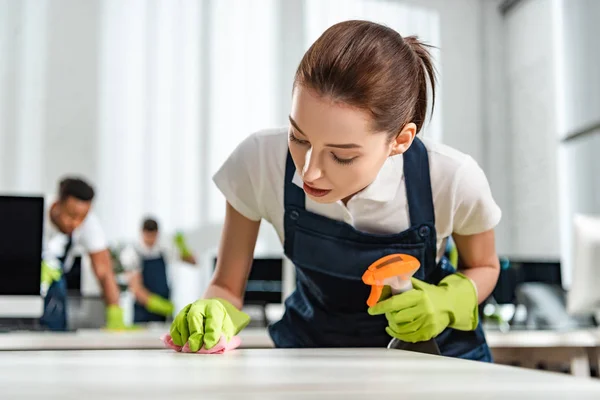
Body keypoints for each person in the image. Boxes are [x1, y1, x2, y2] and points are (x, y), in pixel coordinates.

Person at [169, 20, 501, 361]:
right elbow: (226, 287)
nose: (309, 170)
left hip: (431, 355)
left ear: (400, 140)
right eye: (298, 137)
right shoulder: (259, 161)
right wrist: (213, 314)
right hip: (315, 353)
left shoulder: (451, 177)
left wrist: (447, 301)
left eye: (342, 156)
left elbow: (485, 266)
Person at [40, 177, 126, 331]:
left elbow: (104, 271)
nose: (76, 223)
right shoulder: (37, 210)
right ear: (58, 203)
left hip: (54, 292)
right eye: (71, 215)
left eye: (82, 218)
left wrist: (115, 313)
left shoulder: (89, 223)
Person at [120, 217, 197, 323]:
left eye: (153, 236)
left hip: (163, 311)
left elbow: (193, 262)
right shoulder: (132, 253)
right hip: (143, 312)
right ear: (142, 232)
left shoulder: (164, 249)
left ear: (157, 233)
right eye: (148, 235)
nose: (151, 239)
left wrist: (183, 247)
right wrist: (157, 305)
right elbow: (135, 288)